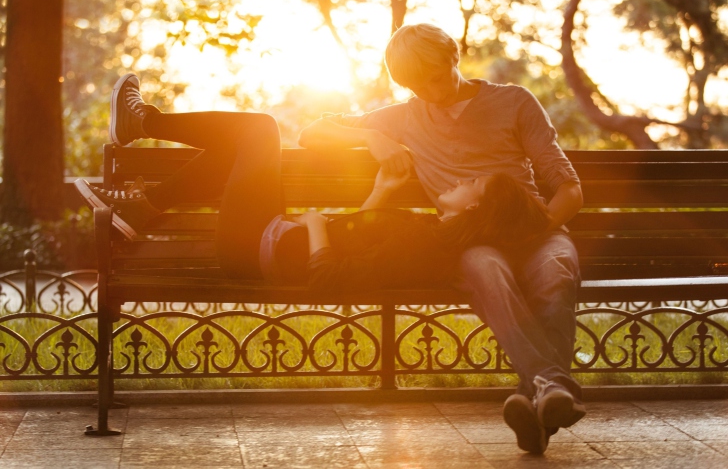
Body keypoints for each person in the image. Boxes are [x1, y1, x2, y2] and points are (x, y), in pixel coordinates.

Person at [298, 23, 584, 454]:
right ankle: (552, 389)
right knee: (486, 267)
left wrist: (533, 228)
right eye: (415, 85)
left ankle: (539, 405)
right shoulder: (403, 116)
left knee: (555, 272)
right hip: (468, 241)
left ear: (454, 55)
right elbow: (311, 132)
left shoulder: (513, 102)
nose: (429, 92)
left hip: (538, 230)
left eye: (434, 77)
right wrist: (371, 136)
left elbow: (570, 190)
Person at [75, 73, 551, 294]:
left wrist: (319, 230)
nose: (463, 180)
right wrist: (383, 191)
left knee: (260, 129)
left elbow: (333, 281)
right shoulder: (429, 235)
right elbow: (362, 240)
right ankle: (141, 206)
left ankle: (145, 125)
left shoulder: (424, 246)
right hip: (272, 235)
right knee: (243, 145)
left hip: (253, 250)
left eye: (473, 184)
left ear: (473, 210)